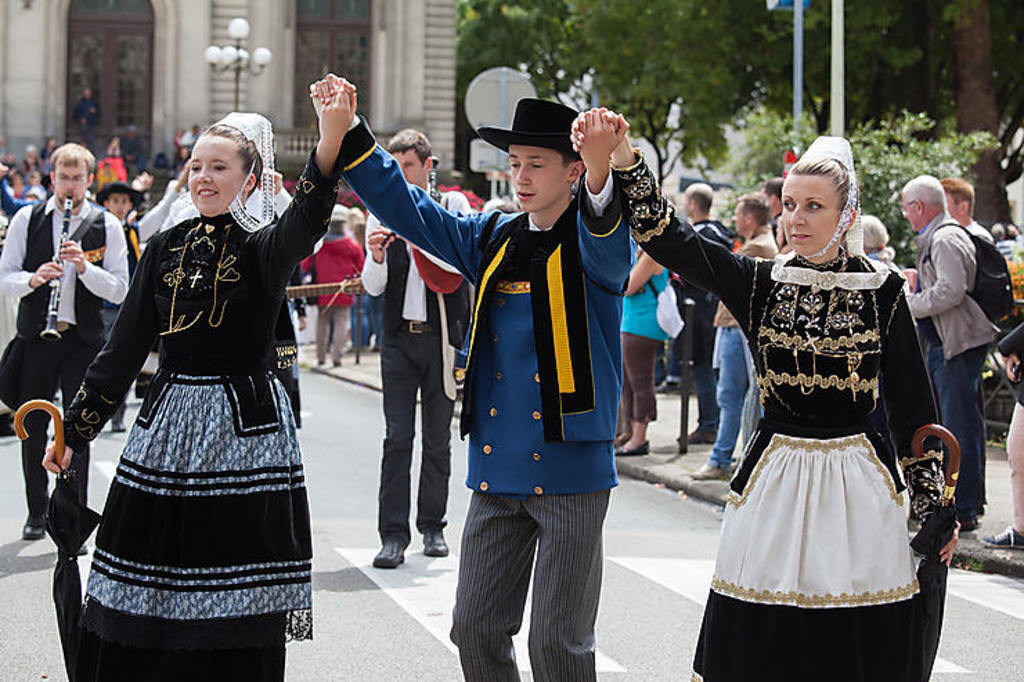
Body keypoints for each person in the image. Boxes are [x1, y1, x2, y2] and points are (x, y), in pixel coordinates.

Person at [613, 132, 958, 681]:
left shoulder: (883, 291)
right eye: (791, 205)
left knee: (855, 647)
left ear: (846, 215)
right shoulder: (758, 281)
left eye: (814, 206)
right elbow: (671, 240)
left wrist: (933, 501)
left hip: (859, 486)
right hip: (774, 484)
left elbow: (913, 406)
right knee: (763, 646)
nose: (795, 219)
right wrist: (627, 161)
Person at [327, 71, 631, 679]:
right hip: (497, 467)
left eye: (536, 164)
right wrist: (347, 134)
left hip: (571, 466)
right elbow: (411, 209)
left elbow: (609, 238)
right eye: (515, 162)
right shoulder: (492, 235)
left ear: (572, 171)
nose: (519, 176)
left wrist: (605, 169)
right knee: (474, 629)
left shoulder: (596, 242)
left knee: (559, 645)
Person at [41, 92, 350, 678]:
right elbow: (124, 350)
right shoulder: (163, 247)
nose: (204, 178)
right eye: (197, 167)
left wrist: (329, 139)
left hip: (242, 429)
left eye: (220, 167)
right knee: (144, 573)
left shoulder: (264, 245)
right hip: (166, 425)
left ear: (249, 177)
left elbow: (308, 217)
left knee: (230, 581)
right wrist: (73, 431)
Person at [0, 143, 129, 541]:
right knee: (33, 427)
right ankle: (36, 512)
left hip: (83, 341)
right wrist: (34, 279)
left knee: (78, 429)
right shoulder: (28, 217)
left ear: (89, 181)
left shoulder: (105, 224)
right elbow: (5, 276)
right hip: (37, 337)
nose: (69, 186)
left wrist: (83, 267)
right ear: (51, 177)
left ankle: (70, 515)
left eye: (76, 178)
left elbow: (120, 289)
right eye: (63, 177)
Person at [359, 128, 472, 568]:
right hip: (398, 340)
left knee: (438, 440)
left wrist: (416, 234)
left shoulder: (453, 206)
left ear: (428, 167)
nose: (400, 174)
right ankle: (392, 535)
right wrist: (377, 256)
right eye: (395, 166)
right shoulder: (380, 212)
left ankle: (433, 526)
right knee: (397, 437)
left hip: (443, 339)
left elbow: (457, 267)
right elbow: (372, 287)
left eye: (407, 166)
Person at [903, 174, 996, 532]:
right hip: (953, 341)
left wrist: (911, 304)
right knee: (959, 424)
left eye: (907, 208)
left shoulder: (943, 238)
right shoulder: (944, 235)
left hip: (957, 343)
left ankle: (963, 507)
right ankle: (964, 502)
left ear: (919, 207)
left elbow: (950, 290)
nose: (907, 216)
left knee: (957, 428)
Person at [692, 193, 778, 480]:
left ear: (750, 218)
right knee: (739, 397)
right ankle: (729, 456)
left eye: (739, 214)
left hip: (737, 328)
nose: (734, 220)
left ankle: (722, 458)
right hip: (737, 327)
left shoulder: (757, 247)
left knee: (732, 396)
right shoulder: (761, 243)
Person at [671, 183, 732, 445]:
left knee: (701, 368)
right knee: (702, 368)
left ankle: (708, 425)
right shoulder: (718, 231)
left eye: (687, 201)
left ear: (694, 204)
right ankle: (708, 423)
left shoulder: (704, 233)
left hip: (699, 311)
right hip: (705, 308)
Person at [95, 181, 145, 432]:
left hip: (128, 305)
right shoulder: (97, 229)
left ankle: (117, 415)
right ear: (105, 204)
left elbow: (158, 217)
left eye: (124, 202)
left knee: (125, 359)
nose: (120, 206)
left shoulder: (133, 231)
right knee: (98, 360)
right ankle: (93, 411)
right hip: (102, 306)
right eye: (115, 201)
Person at [616, 245, 670, 456]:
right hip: (631, 323)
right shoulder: (641, 254)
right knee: (628, 383)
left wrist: (627, 281)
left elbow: (626, 286)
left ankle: (639, 438)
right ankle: (629, 433)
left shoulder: (651, 254)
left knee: (640, 383)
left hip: (643, 325)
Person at [302, 204, 364, 367]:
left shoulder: (319, 246)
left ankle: (321, 357)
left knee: (322, 323)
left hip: (322, 289)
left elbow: (305, 265)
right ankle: (337, 356)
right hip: (345, 288)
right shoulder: (352, 246)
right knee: (341, 323)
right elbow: (361, 266)